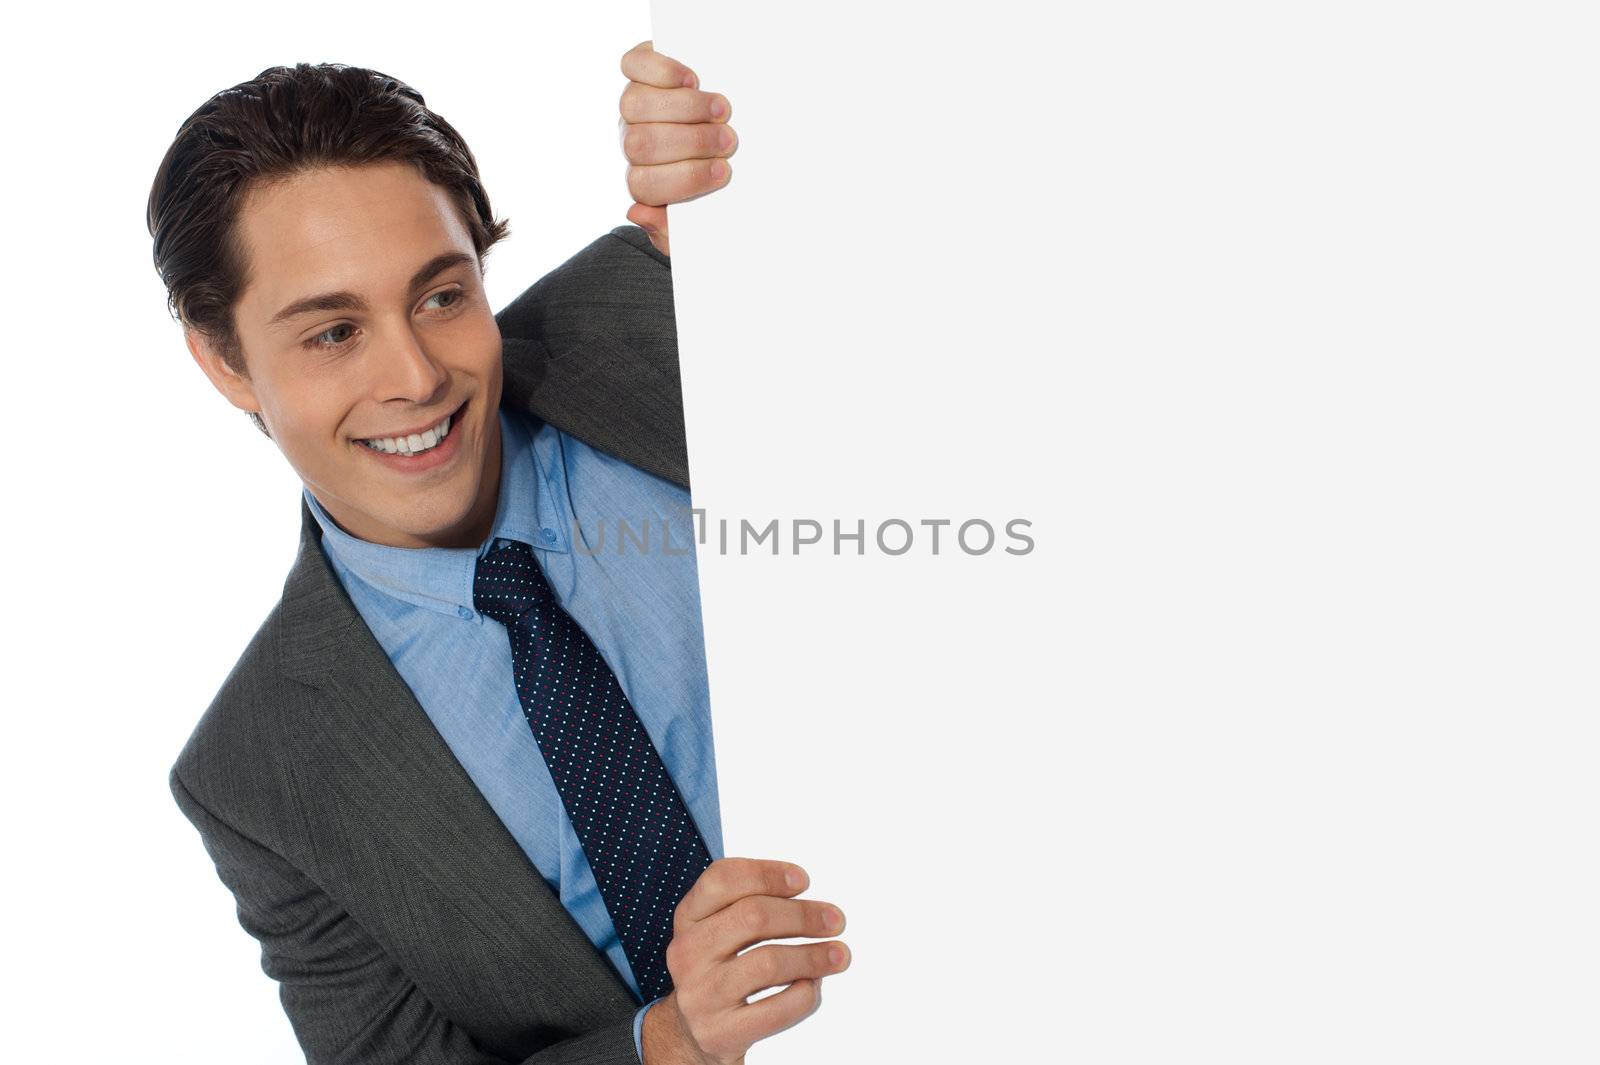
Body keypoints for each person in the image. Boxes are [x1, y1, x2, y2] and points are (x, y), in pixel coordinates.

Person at [147, 42, 849, 1065]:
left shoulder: (659, 309)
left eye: (441, 296)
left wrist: (751, 127)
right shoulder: (260, 776)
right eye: (334, 334)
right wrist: (673, 1043)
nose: (416, 378)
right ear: (224, 360)